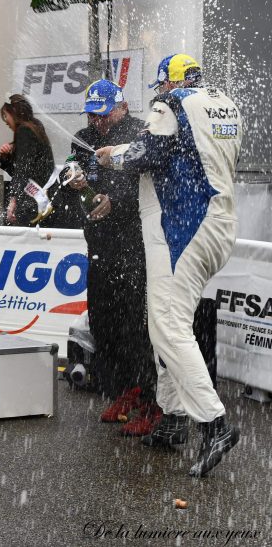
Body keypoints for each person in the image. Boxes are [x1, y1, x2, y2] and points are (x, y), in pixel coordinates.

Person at [97, 54, 242, 477]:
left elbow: (149, 152)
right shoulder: (223, 103)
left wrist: (112, 156)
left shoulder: (172, 102)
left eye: (159, 86)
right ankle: (174, 417)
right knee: (165, 321)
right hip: (219, 225)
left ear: (168, 82)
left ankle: (215, 424)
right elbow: (186, 154)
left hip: (183, 229)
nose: (157, 95)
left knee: (167, 324)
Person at [65, 79, 155, 435]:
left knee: (136, 325)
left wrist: (115, 201)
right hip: (98, 242)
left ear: (122, 106)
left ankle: (150, 399)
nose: (97, 123)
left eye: (103, 115)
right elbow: (72, 167)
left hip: (133, 243)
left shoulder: (139, 133)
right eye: (92, 115)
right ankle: (122, 390)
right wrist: (75, 180)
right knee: (103, 321)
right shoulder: (82, 135)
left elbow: (144, 185)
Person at [0, 94, 53, 226]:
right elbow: (22, 169)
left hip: (32, 202)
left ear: (14, 113)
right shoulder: (35, 126)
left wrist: (13, 200)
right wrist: (6, 158)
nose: (5, 121)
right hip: (41, 198)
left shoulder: (24, 131)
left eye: (6, 115)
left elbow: (23, 170)